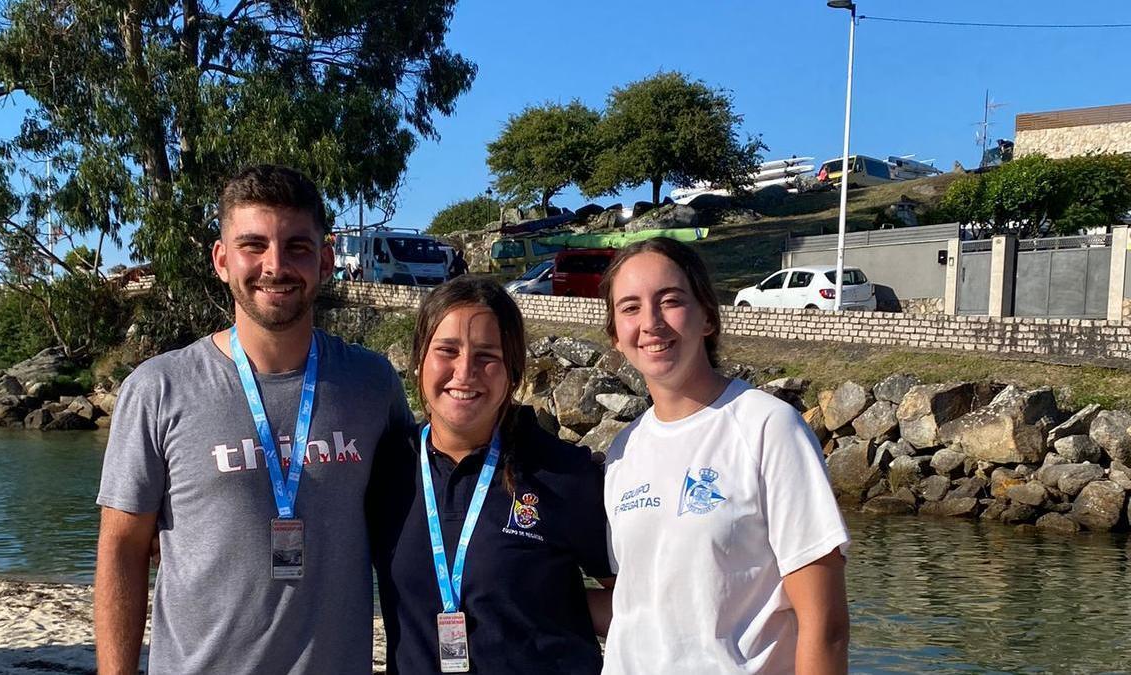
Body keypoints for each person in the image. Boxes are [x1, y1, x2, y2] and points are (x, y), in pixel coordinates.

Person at [94, 164, 412, 674]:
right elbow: (121, 550)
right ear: (222, 260)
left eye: (297, 247)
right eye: (254, 245)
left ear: (326, 260)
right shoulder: (159, 389)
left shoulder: (373, 385)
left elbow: (418, 530)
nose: (275, 265)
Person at [595, 238, 849, 674]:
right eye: (630, 308)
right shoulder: (623, 451)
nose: (651, 323)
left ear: (707, 316)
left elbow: (825, 625)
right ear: (616, 336)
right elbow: (640, 607)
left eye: (670, 301)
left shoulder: (768, 428)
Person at [370, 275, 611, 674]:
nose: (465, 372)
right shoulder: (386, 470)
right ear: (419, 361)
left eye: (487, 356)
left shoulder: (563, 473)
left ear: (512, 372)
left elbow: (632, 600)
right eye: (447, 350)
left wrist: (549, 603)